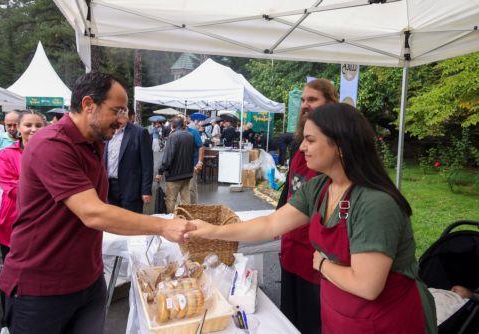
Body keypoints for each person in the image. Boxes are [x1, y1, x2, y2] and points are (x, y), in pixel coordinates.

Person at [187, 103, 437, 334]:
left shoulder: (374, 204)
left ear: (340, 145)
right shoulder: (320, 187)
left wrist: (322, 265)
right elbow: (270, 224)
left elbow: (367, 285)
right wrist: (212, 230)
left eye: (310, 140)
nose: (302, 147)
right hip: (341, 318)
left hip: (386, 322)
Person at [0, 72, 195, 334]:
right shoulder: (52, 143)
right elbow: (93, 213)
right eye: (117, 110)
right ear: (89, 105)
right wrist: (161, 226)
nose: (123, 119)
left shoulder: (94, 143)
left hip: (88, 281)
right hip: (41, 287)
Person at [273, 78, 338, 333]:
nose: (304, 105)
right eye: (302, 100)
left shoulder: (335, 151)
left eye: (312, 100)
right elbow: (290, 187)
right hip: (291, 247)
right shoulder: (297, 146)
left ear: (330, 104)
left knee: (313, 322)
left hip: (316, 254)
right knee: (289, 318)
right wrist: (278, 217)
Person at [0, 110, 45, 332]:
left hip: (44, 226)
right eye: (28, 125)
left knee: (39, 275)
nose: (33, 129)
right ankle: (7, 322)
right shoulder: (6, 155)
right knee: (11, 277)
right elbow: (11, 188)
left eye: (38, 125)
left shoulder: (52, 154)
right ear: (18, 128)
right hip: (12, 225)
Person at [105, 110, 153, 214]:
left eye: (123, 114)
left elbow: (147, 164)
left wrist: (146, 190)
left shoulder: (140, 132)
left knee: (131, 224)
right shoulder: (106, 132)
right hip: (109, 186)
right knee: (112, 223)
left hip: (131, 187)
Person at [156, 115, 194, 212]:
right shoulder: (190, 136)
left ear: (172, 125)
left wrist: (160, 172)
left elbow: (168, 158)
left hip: (174, 175)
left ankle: (173, 221)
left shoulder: (173, 136)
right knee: (186, 201)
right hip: (187, 174)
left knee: (171, 201)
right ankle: (186, 220)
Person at [185, 116, 204, 204]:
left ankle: (193, 208)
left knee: (191, 188)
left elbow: (201, 147)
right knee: (180, 189)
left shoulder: (193, 132)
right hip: (178, 167)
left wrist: (200, 162)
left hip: (192, 165)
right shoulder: (174, 132)